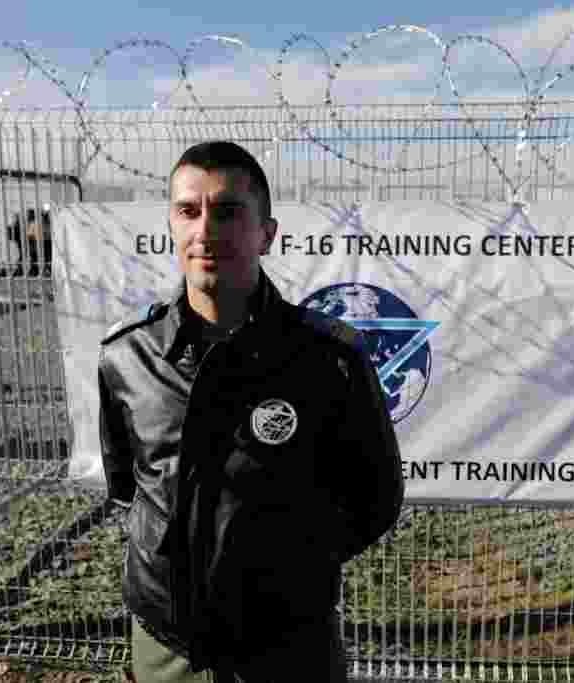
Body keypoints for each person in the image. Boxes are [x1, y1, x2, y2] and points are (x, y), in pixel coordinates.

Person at [98, 140, 404, 682]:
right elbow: (130, 486)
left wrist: (285, 566)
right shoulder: (128, 358)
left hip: (287, 650)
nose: (206, 230)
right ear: (171, 225)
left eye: (229, 211)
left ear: (267, 233)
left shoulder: (328, 359)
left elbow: (374, 499)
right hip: (166, 650)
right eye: (189, 211)